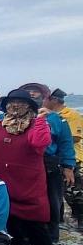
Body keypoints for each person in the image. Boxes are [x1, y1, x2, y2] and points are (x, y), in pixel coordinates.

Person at [0, 89, 55, 245]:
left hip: (28, 179)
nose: (15, 106)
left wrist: (40, 120)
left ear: (29, 106)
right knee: (9, 214)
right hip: (3, 177)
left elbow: (40, 144)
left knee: (35, 218)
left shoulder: (36, 124)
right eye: (11, 102)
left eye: (20, 103)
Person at [19, 82, 75, 243]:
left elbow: (66, 143)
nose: (31, 94)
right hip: (22, 163)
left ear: (44, 97)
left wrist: (68, 166)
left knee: (52, 200)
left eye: (35, 92)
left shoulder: (56, 119)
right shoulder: (9, 117)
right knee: (22, 199)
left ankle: (50, 237)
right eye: (27, 92)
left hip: (48, 164)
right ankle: (21, 237)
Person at [46, 89, 83, 231]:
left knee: (74, 191)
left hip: (73, 158)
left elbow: (75, 137)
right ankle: (59, 220)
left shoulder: (70, 115)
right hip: (55, 160)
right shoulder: (47, 115)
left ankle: (80, 220)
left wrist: (51, 137)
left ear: (53, 100)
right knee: (57, 192)